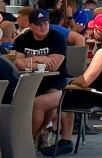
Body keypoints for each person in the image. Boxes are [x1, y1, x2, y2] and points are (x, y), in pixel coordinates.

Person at [47, 14, 102, 158]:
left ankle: (64, 140)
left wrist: (70, 82)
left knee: (57, 97)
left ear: (98, 31)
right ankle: (65, 140)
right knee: (68, 92)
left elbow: (85, 81)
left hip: (97, 97)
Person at [12, 8, 71, 150]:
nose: (43, 27)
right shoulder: (22, 39)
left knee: (40, 103)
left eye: (45, 23)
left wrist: (28, 61)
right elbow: (17, 63)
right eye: (38, 24)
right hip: (31, 81)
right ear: (30, 25)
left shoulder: (56, 38)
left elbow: (53, 66)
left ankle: (31, 137)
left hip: (56, 81)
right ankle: (37, 135)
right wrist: (38, 59)